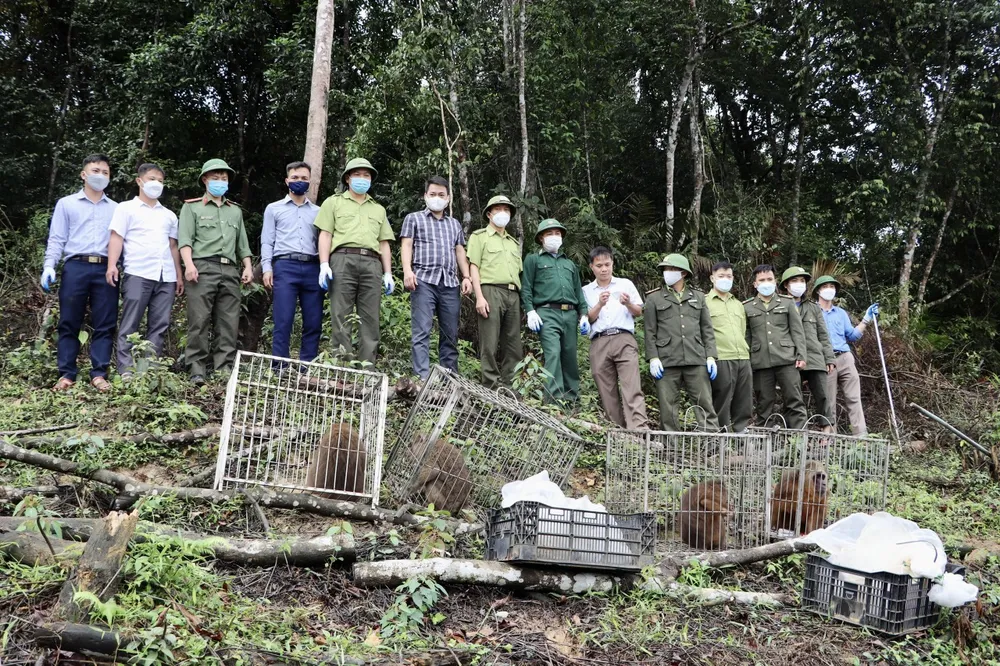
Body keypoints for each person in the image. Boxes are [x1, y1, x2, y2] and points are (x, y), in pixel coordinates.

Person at [41, 154, 119, 392]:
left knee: (105, 323)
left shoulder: (117, 208)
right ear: (84, 174)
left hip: (106, 268)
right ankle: (66, 374)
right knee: (68, 321)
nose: (100, 176)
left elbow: (121, 242)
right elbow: (57, 238)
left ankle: (99, 374)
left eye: (105, 172)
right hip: (76, 266)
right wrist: (49, 265)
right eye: (95, 171)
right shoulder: (67, 204)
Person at [178, 158, 254, 384]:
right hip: (202, 267)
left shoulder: (234, 212)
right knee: (199, 320)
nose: (220, 182)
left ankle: (223, 369)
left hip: (229, 270)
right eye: (215, 178)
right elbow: (185, 239)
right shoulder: (191, 207)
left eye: (224, 178)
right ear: (205, 180)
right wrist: (189, 265)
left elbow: (243, 244)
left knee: (228, 322)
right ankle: (196, 369)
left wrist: (248, 266)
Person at [314, 157, 395, 364]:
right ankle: (343, 366)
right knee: (341, 315)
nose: (362, 178)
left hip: (372, 263)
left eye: (366, 175)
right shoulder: (333, 203)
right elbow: (325, 234)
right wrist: (324, 264)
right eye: (357, 174)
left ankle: (367, 370)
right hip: (342, 259)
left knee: (371, 319)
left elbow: (384, 242)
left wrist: (388, 273)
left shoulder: (378, 209)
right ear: (348, 178)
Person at [106, 163, 183, 379]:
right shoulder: (125, 208)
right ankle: (126, 370)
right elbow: (116, 237)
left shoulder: (168, 215)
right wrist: (112, 265)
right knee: (131, 322)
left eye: (160, 180)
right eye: (151, 179)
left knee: (159, 324)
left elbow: (173, 246)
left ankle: (150, 369)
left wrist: (178, 274)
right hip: (138, 272)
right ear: (139, 181)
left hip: (165, 276)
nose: (156, 184)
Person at [400, 176, 472, 380]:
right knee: (422, 331)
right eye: (433, 194)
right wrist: (407, 271)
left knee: (450, 334)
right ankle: (421, 379)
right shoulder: (413, 219)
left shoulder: (454, 224)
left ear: (448, 198)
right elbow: (406, 245)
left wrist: (466, 276)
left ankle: (449, 379)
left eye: (441, 195)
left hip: (450, 283)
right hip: (423, 281)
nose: (437, 198)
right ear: (425, 196)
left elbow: (459, 251)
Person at [643, 253, 719, 431]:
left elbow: (707, 329)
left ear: (683, 273)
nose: (667, 273)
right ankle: (671, 446)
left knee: (704, 402)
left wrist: (711, 356)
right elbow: (649, 331)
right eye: (665, 269)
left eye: (671, 269)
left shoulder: (699, 297)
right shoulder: (654, 298)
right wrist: (653, 358)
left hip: (696, 357)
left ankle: (713, 441)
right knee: (667, 406)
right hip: (667, 359)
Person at [261, 161, 322, 365]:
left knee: (313, 322)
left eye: (304, 178)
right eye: (295, 178)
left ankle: (307, 367)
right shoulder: (273, 209)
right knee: (283, 319)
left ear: (310, 181)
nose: (299, 181)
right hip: (285, 266)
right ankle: (280, 366)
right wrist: (267, 268)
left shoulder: (318, 211)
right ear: (287, 180)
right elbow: (267, 240)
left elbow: (323, 241)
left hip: (312, 267)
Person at [522, 219, 588, 404]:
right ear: (541, 237)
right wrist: (530, 311)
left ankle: (572, 399)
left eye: (557, 233)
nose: (554, 237)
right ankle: (554, 400)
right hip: (547, 313)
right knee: (553, 353)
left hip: (570, 314)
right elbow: (526, 287)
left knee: (569, 355)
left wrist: (583, 314)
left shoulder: (570, 264)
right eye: (549, 233)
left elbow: (578, 292)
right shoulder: (533, 259)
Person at [582, 247, 648, 429]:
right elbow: (587, 318)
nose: (604, 269)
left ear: (612, 264)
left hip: (624, 338)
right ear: (592, 267)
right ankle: (616, 430)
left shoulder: (625, 284)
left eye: (607, 264)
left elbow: (639, 311)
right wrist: (599, 304)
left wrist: (627, 303)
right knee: (605, 388)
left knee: (631, 384)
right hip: (599, 340)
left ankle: (639, 428)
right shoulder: (586, 290)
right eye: (599, 265)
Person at [467, 195, 523, 389]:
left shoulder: (513, 243)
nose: (503, 213)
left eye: (506, 210)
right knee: (489, 343)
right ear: (489, 214)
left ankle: (511, 387)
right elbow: (473, 267)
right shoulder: (479, 237)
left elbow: (518, 273)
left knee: (514, 345)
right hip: (490, 291)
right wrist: (479, 297)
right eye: (498, 209)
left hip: (513, 294)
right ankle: (490, 386)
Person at [814, 275, 879, 436]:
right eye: (825, 286)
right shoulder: (812, 311)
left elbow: (852, 336)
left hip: (845, 357)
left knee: (854, 398)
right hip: (825, 360)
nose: (829, 289)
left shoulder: (840, 313)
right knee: (828, 402)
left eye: (832, 286)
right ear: (818, 291)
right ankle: (829, 438)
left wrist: (866, 319)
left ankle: (861, 436)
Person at [744, 264, 808, 429]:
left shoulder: (787, 302)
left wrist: (801, 355)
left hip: (786, 359)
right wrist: (748, 360)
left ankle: (799, 439)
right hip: (760, 361)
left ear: (775, 281)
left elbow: (797, 332)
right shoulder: (747, 306)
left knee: (794, 399)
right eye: (762, 280)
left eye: (769, 279)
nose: (766, 282)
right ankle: (764, 439)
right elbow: (747, 336)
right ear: (755, 284)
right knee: (764, 402)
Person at [780, 266, 836, 430]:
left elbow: (823, 334)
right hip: (790, 358)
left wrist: (829, 357)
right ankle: (795, 432)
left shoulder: (813, 307)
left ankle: (826, 429)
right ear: (786, 285)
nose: (799, 284)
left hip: (814, 356)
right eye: (795, 281)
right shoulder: (780, 305)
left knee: (823, 395)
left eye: (802, 281)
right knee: (793, 397)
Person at [705, 261, 752, 432]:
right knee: (722, 398)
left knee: (744, 399)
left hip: (743, 356)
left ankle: (740, 431)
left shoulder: (738, 304)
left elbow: (743, 330)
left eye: (729, 276)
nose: (726, 279)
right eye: (721, 276)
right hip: (722, 357)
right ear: (712, 278)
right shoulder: (705, 302)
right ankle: (721, 433)